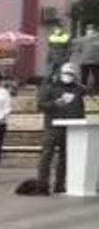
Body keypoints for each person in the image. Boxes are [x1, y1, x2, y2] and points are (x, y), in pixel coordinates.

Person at [38, 63, 87, 193]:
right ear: (59, 74)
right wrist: (55, 104)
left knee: (65, 157)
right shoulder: (50, 87)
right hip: (53, 127)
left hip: (72, 127)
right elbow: (41, 105)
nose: (68, 77)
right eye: (66, 74)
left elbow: (82, 104)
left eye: (71, 74)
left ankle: (60, 184)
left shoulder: (78, 89)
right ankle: (43, 184)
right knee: (47, 155)